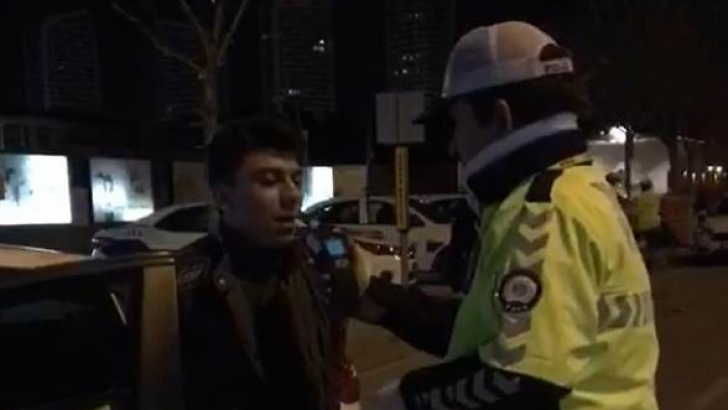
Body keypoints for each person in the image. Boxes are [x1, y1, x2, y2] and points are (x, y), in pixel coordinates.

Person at [358, 22, 659, 410]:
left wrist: (402, 401)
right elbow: (504, 331)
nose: (453, 147)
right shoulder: (580, 187)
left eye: (458, 124)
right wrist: (380, 301)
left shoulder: (543, 211)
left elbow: (522, 378)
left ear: (501, 115)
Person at [176, 117, 366, 410]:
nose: (292, 196)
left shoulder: (315, 265)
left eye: (296, 180)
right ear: (223, 197)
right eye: (268, 181)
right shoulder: (185, 285)